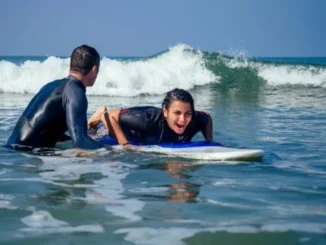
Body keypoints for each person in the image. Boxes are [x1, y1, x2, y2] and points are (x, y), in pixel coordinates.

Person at [7, 44, 104, 150]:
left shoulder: (51, 86)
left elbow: (46, 129)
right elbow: (80, 143)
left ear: (70, 66)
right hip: (28, 155)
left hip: (13, 150)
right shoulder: (75, 92)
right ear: (94, 70)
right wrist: (114, 152)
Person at [88, 88, 213, 146]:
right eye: (177, 113)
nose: (183, 119)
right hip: (129, 126)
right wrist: (125, 144)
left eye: (188, 114)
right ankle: (96, 116)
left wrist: (209, 142)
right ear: (165, 112)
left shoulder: (194, 120)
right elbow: (109, 116)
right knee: (95, 133)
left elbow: (207, 117)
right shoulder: (147, 121)